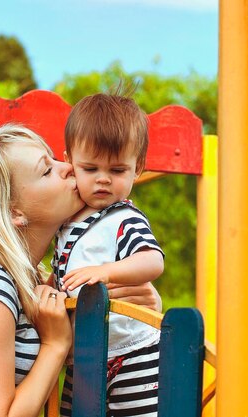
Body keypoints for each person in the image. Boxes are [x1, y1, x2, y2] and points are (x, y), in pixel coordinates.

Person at [0, 124, 161, 417]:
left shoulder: (22, 279)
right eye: (46, 170)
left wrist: (134, 310)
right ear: (13, 211)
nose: (68, 168)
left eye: (56, 159)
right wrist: (55, 343)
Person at [53, 92, 164, 417]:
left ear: (137, 169)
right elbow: (62, 272)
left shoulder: (123, 218)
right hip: (85, 352)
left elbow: (152, 260)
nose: (103, 179)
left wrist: (107, 271)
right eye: (90, 168)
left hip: (133, 350)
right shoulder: (66, 221)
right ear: (70, 162)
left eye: (117, 170)